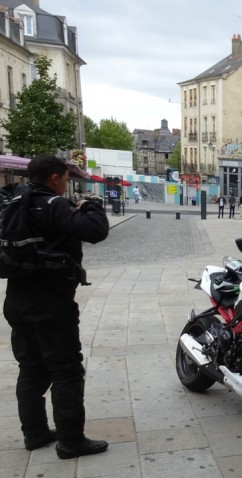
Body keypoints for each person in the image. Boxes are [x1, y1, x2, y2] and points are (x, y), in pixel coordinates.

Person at [3, 155, 110, 459]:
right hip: (51, 302)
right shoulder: (53, 204)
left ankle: (35, 433)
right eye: (64, 178)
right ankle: (71, 441)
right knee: (66, 370)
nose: (65, 184)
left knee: (31, 369)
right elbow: (96, 230)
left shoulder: (14, 202)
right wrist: (90, 205)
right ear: (54, 178)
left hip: (17, 300)